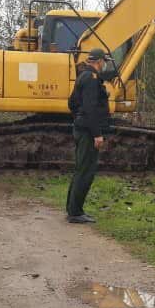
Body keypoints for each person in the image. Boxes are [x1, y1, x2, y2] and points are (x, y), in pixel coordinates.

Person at [66, 48, 110, 224]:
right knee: (86, 171)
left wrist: (79, 118)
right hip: (88, 132)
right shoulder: (91, 79)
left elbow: (72, 103)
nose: (104, 65)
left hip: (81, 127)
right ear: (99, 62)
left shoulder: (82, 76)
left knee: (80, 170)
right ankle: (76, 213)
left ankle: (72, 208)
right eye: (104, 62)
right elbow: (90, 108)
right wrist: (97, 134)